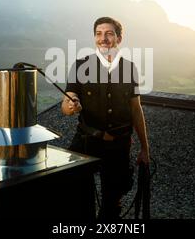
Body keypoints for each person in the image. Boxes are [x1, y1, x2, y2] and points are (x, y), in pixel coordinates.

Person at [61, 16, 150, 219]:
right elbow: (66, 103)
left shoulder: (129, 68)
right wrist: (71, 105)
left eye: (109, 33)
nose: (104, 38)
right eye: (99, 34)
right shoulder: (80, 65)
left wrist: (145, 148)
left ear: (119, 38)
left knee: (112, 203)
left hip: (118, 146)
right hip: (86, 142)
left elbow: (136, 109)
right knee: (74, 195)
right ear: (94, 37)